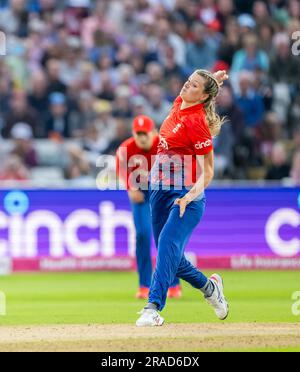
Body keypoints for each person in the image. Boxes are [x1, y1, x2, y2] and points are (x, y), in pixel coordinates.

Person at [136, 70, 230, 327]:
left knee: (167, 245)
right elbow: (202, 86)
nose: (187, 86)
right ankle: (211, 289)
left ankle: (152, 307)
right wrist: (214, 79)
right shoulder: (179, 102)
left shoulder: (197, 123)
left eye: (194, 86)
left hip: (185, 197)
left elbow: (208, 171)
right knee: (172, 259)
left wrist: (189, 196)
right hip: (159, 192)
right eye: (189, 81)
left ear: (203, 96)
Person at [116, 115, 182, 300]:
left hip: (163, 192)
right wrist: (129, 188)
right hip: (141, 195)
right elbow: (120, 168)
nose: (142, 138)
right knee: (143, 235)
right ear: (133, 133)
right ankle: (144, 285)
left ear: (153, 132)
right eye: (139, 134)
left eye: (145, 133)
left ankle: (174, 283)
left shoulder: (164, 146)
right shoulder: (126, 148)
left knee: (167, 236)